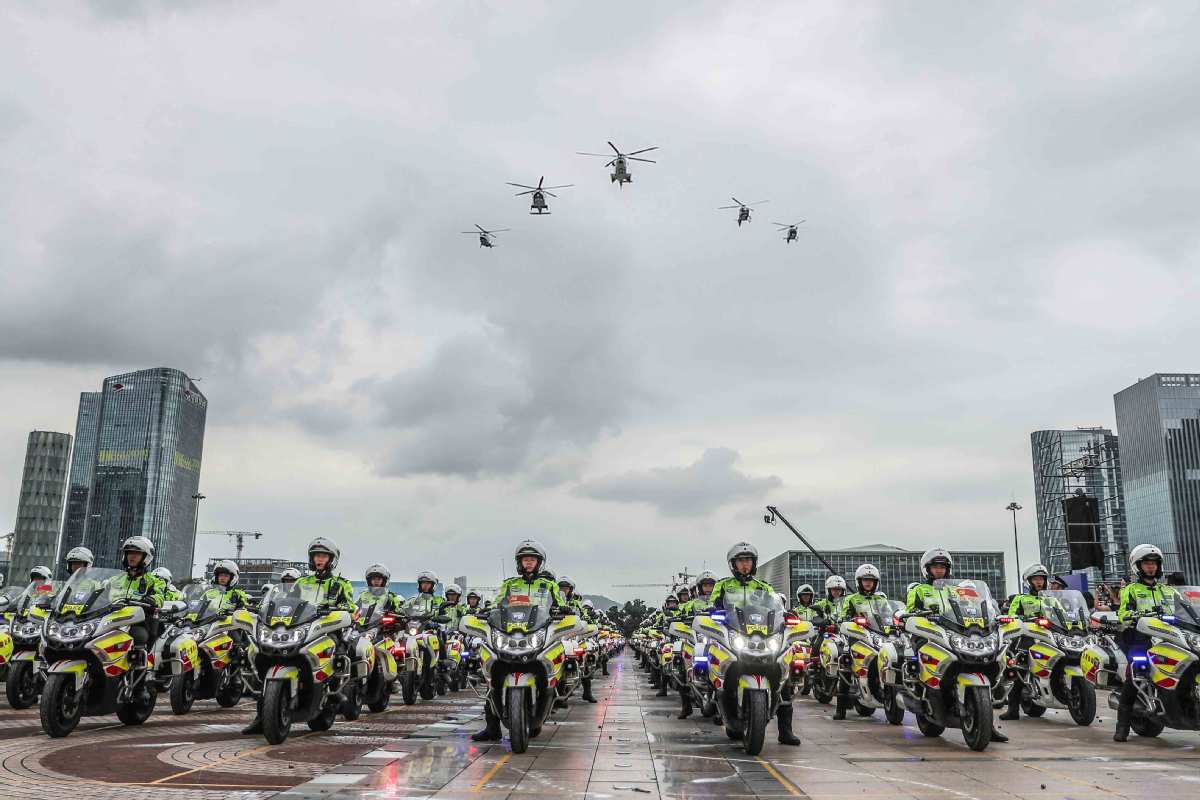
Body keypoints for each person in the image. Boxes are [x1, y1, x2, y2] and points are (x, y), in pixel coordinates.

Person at [244, 538, 353, 735]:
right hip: (302, 627)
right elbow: (286, 602)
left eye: (323, 556)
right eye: (316, 556)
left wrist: (341, 609)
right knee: (262, 652)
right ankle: (262, 716)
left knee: (340, 647)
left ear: (331, 560)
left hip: (326, 627)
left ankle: (336, 692)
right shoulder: (301, 582)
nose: (319, 560)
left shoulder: (340, 584)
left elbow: (350, 608)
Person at [906, 547, 1008, 742]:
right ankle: (922, 694)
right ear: (926, 569)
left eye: (943, 567)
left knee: (990, 662)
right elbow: (911, 610)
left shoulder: (956, 589)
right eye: (935, 567)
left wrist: (990, 615)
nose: (939, 570)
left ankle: (988, 723)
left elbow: (971, 606)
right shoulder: (919, 590)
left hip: (956, 633)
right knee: (922, 660)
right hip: (930, 633)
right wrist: (915, 615)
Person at [472, 540, 566, 742]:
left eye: (532, 559)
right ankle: (492, 728)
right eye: (525, 560)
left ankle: (547, 702)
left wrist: (565, 610)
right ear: (519, 562)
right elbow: (496, 603)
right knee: (492, 676)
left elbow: (560, 603)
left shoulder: (549, 585)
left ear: (539, 562)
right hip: (509, 634)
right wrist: (486, 611)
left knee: (552, 666)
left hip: (538, 634)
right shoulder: (510, 584)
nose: (529, 563)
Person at [709, 542, 799, 746]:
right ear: (733, 564)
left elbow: (777, 609)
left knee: (784, 676)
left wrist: (788, 615)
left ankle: (786, 731)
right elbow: (714, 605)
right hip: (734, 633)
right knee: (712, 660)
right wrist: (712, 613)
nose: (744, 565)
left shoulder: (763, 587)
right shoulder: (723, 585)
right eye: (741, 561)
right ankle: (712, 700)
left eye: (748, 560)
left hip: (761, 636)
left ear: (754, 563)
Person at [1113, 544, 1177, 742]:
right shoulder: (1131, 590)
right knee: (1136, 673)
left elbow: (1184, 609)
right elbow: (1122, 614)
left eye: (1154, 564)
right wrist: (1133, 615)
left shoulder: (1167, 590)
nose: (1151, 568)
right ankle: (1122, 726)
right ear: (1138, 566)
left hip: (1169, 637)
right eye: (1147, 564)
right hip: (1142, 638)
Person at [1000, 563, 1050, 721]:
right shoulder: (1021, 599)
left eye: (1041, 578)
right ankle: (1013, 709)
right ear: (1028, 582)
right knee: (1019, 670)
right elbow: (1012, 616)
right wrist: (1023, 618)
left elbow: (1061, 614)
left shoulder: (1050, 599)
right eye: (1035, 579)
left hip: (1048, 636)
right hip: (1026, 637)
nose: (1039, 582)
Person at [104, 536, 165, 666]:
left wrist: (152, 599)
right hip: (109, 621)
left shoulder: (153, 580)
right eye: (129, 553)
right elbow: (99, 594)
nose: (131, 557)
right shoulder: (115, 579)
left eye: (136, 554)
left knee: (139, 637)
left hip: (137, 622)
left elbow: (160, 597)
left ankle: (138, 681)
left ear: (146, 557)